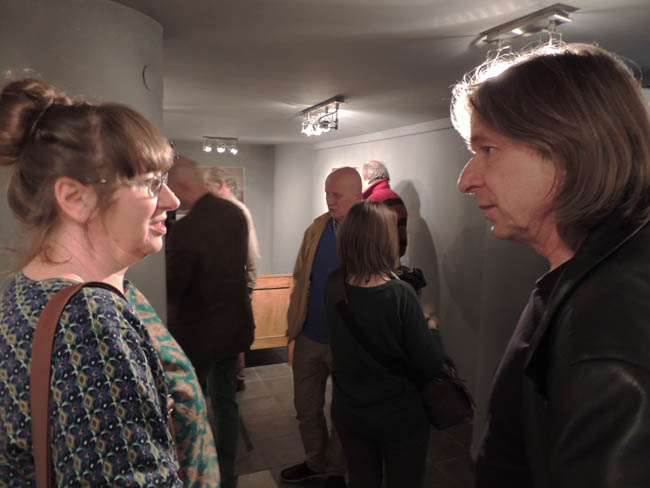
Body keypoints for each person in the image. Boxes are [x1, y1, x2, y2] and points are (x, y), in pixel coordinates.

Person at [452, 43, 650, 487]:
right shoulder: (586, 278)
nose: (466, 180)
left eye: (488, 149)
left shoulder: (607, 328)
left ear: (569, 151)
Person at [0, 78, 200, 486]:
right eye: (151, 183)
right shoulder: (88, 321)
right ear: (75, 198)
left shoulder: (27, 291)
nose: (172, 201)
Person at [325, 200, 444, 488]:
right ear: (383, 241)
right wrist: (431, 327)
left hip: (349, 410)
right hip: (397, 415)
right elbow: (430, 363)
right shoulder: (400, 294)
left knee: (361, 479)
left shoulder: (334, 284)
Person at [166, 155, 255, 488]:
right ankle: (228, 474)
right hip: (232, 327)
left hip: (197, 334)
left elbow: (174, 286)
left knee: (192, 403)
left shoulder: (186, 230)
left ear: (183, 185)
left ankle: (200, 472)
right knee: (226, 402)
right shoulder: (234, 214)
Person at [281, 167, 362, 487]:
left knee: (343, 411)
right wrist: (294, 324)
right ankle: (315, 461)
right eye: (327, 193)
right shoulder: (317, 228)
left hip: (349, 342)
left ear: (357, 197)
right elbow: (301, 276)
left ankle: (335, 469)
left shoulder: (371, 232)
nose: (329, 200)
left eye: (337, 195)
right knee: (305, 407)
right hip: (310, 336)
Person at [204, 166, 261, 392]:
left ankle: (234, 381)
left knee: (231, 339)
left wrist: (249, 288)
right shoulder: (220, 211)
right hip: (223, 289)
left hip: (231, 290)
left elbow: (252, 253)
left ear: (221, 185)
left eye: (208, 186)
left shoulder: (237, 211)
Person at [361, 160, 408, 257]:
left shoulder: (372, 201)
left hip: (375, 260)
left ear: (367, 178)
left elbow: (364, 240)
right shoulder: (396, 197)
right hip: (394, 258)